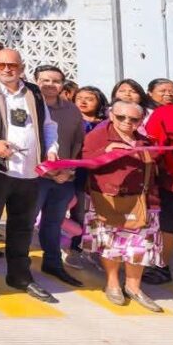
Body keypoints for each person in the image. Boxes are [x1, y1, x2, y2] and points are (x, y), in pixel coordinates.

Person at [0, 48, 59, 303]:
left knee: (23, 227)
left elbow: (48, 125)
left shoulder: (34, 92)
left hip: (29, 172)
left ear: (22, 67)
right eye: (1, 64)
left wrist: (51, 148)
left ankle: (20, 276)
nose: (7, 69)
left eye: (12, 65)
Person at [81, 100, 164, 312]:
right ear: (111, 115)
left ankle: (134, 287)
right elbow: (85, 162)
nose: (127, 122)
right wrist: (106, 150)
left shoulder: (145, 142)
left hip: (141, 202)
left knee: (139, 247)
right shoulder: (97, 136)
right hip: (107, 200)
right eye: (121, 117)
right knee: (111, 245)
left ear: (140, 120)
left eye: (134, 119)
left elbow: (158, 172)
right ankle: (112, 283)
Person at [32, 65, 86, 289]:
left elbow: (77, 143)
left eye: (56, 81)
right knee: (25, 221)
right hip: (34, 177)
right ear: (35, 81)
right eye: (45, 80)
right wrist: (49, 170)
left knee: (53, 222)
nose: (50, 85)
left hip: (64, 177)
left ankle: (52, 262)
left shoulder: (72, 110)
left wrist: (68, 171)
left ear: (63, 84)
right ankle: (19, 267)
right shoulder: (28, 107)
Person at [144, 88, 173, 286]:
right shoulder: (166, 114)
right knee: (167, 227)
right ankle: (161, 267)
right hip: (172, 183)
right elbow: (151, 149)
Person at [67, 85, 108, 271]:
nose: (83, 101)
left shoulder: (107, 123)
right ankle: (75, 248)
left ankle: (97, 250)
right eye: (79, 98)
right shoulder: (71, 120)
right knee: (79, 213)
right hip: (77, 174)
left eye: (89, 98)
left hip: (101, 176)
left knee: (100, 214)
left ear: (99, 102)